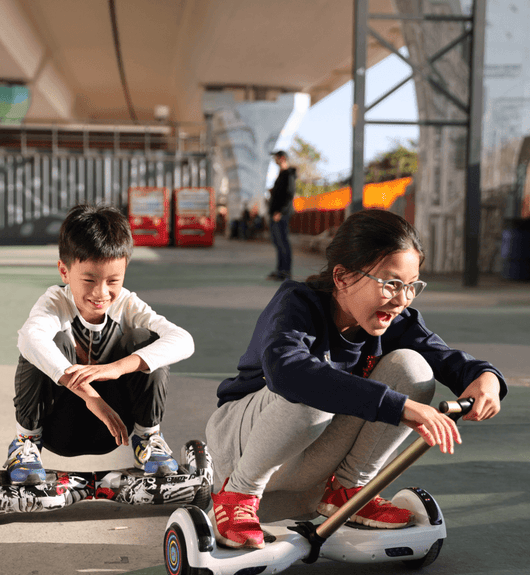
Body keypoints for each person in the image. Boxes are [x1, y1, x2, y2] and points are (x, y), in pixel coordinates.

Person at [205, 209, 506, 549]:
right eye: (391, 283)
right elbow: (288, 372)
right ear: (342, 277)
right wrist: (400, 407)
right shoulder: (296, 304)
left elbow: (446, 358)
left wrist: (485, 377)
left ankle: (348, 490)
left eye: (412, 286)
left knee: (414, 369)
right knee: (312, 388)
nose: (402, 298)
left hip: (309, 456)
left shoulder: (397, 321)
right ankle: (238, 494)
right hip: (242, 446)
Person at [7, 204, 196, 485]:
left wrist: (117, 368)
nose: (101, 292)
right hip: (57, 427)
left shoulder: (127, 304)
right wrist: (91, 398)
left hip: (115, 429)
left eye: (113, 280)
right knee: (44, 345)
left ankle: (148, 440)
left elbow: (183, 340)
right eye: (88, 280)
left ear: (124, 272)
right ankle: (26, 444)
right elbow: (29, 338)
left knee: (145, 341)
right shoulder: (54, 303)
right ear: (64, 271)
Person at [266, 150, 296, 281]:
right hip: (276, 213)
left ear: (282, 158)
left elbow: (289, 195)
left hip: (280, 214)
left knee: (282, 242)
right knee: (278, 243)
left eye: (276, 158)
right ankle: (280, 270)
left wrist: (280, 211)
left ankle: (285, 272)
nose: (274, 160)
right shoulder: (282, 174)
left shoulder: (288, 174)